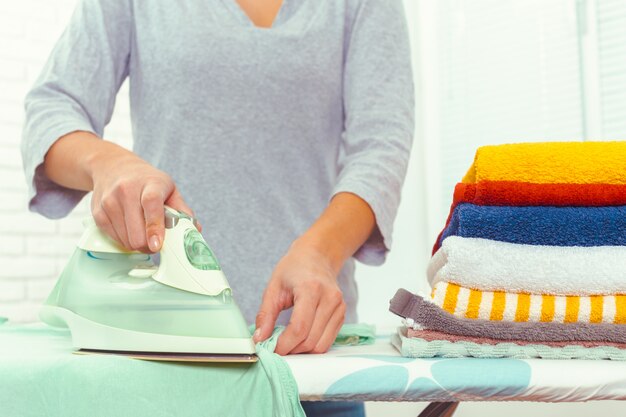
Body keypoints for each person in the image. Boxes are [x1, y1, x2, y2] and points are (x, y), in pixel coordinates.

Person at [21, 0, 414, 415]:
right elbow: (52, 108)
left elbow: (381, 146)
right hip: (155, 372)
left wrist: (320, 252)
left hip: (308, 367)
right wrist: (108, 164)